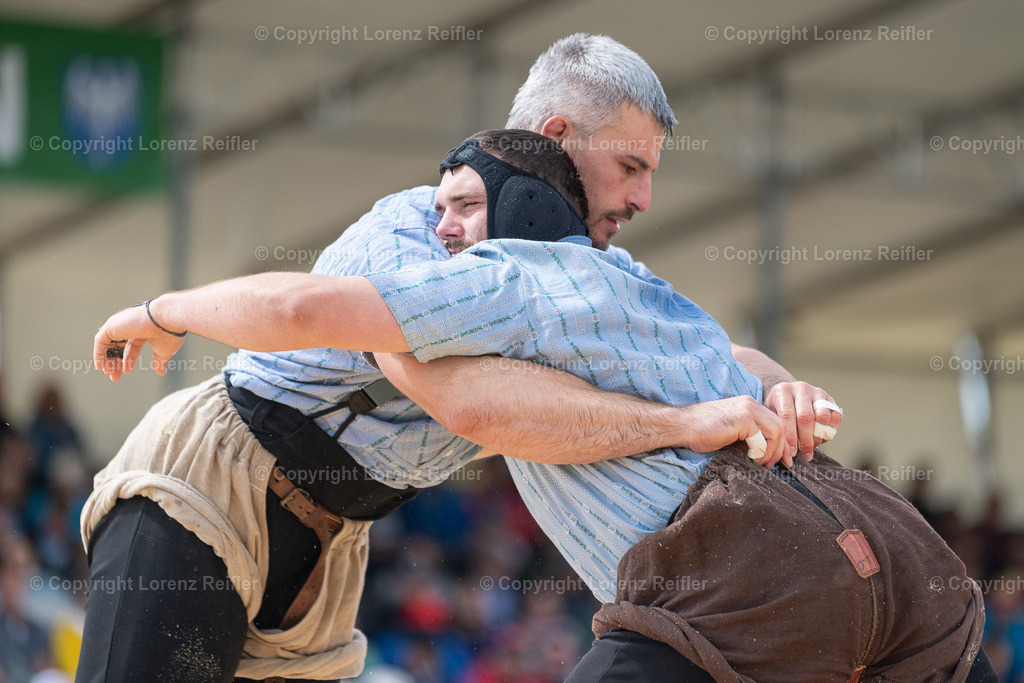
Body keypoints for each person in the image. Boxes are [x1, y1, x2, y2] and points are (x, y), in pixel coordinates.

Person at [94, 129, 993, 681]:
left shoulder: (583, 270)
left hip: (335, 531)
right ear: (553, 163)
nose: (639, 197)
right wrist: (162, 311)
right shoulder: (437, 244)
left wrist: (771, 384)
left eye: (464, 206)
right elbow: (321, 322)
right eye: (628, 165)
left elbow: (698, 350)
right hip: (218, 473)